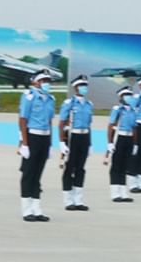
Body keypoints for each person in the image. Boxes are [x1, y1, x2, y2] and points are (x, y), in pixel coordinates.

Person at [18, 70, 58, 221]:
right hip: (32, 137)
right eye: (43, 80)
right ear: (35, 82)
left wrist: (50, 144)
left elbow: (49, 122)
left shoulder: (50, 99)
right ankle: (27, 209)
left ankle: (37, 208)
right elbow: (23, 120)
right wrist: (24, 143)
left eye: (48, 81)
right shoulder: (28, 97)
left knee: (38, 174)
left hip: (44, 137)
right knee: (28, 173)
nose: (47, 83)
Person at [58, 75, 94, 212]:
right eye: (82, 85)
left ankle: (78, 200)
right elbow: (61, 123)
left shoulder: (89, 104)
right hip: (72, 136)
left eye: (86, 85)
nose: (84, 88)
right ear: (75, 87)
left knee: (81, 168)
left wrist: (90, 143)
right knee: (69, 168)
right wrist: (62, 142)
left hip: (84, 137)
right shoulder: (69, 103)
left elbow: (89, 125)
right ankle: (68, 200)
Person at [106, 85, 138, 204]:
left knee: (125, 165)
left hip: (129, 138)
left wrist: (135, 144)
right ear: (121, 97)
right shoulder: (117, 109)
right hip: (119, 137)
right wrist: (110, 142)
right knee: (116, 165)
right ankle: (115, 192)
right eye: (126, 95)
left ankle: (123, 192)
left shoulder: (133, 110)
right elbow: (111, 125)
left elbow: (135, 127)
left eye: (130, 95)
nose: (129, 97)